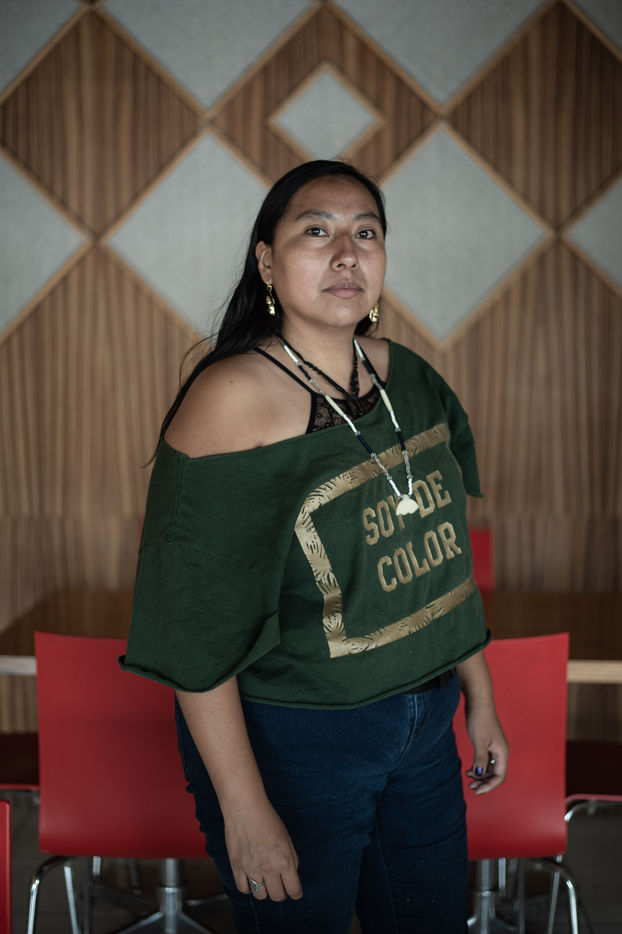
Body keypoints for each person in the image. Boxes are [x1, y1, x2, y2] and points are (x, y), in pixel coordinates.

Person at [120, 159, 508, 934]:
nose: (347, 254)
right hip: (299, 736)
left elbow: (440, 559)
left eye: (366, 233)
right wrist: (243, 805)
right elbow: (192, 626)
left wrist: (482, 700)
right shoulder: (232, 399)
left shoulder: (409, 379)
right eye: (317, 231)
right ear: (267, 261)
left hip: (424, 720)